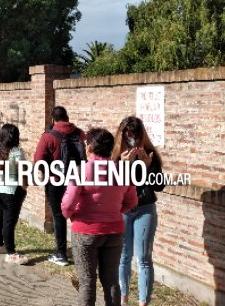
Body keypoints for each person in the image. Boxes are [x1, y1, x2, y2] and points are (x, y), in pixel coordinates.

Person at [61, 128, 138, 306]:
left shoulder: (81, 170)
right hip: (114, 231)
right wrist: (115, 212)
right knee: (111, 280)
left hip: (85, 231)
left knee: (87, 282)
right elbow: (132, 201)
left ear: (89, 148)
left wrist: (71, 216)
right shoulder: (123, 171)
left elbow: (67, 204)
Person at [113, 116, 166, 306]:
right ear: (122, 136)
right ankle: (123, 299)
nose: (132, 141)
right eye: (128, 137)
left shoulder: (150, 153)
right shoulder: (117, 155)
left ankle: (143, 303)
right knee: (124, 256)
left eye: (135, 137)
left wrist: (148, 166)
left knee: (143, 257)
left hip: (145, 208)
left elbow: (159, 186)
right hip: (124, 209)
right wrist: (124, 165)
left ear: (141, 136)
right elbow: (111, 186)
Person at [33, 105, 86, 266]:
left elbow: (38, 160)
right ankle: (85, 251)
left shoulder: (48, 137)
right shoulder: (79, 133)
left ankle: (61, 254)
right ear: (67, 117)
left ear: (53, 119)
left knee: (59, 216)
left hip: (55, 181)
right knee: (80, 214)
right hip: (77, 179)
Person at [0, 124, 29, 265]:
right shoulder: (16, 151)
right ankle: (11, 253)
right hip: (12, 191)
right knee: (9, 222)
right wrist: (24, 186)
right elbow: (23, 170)